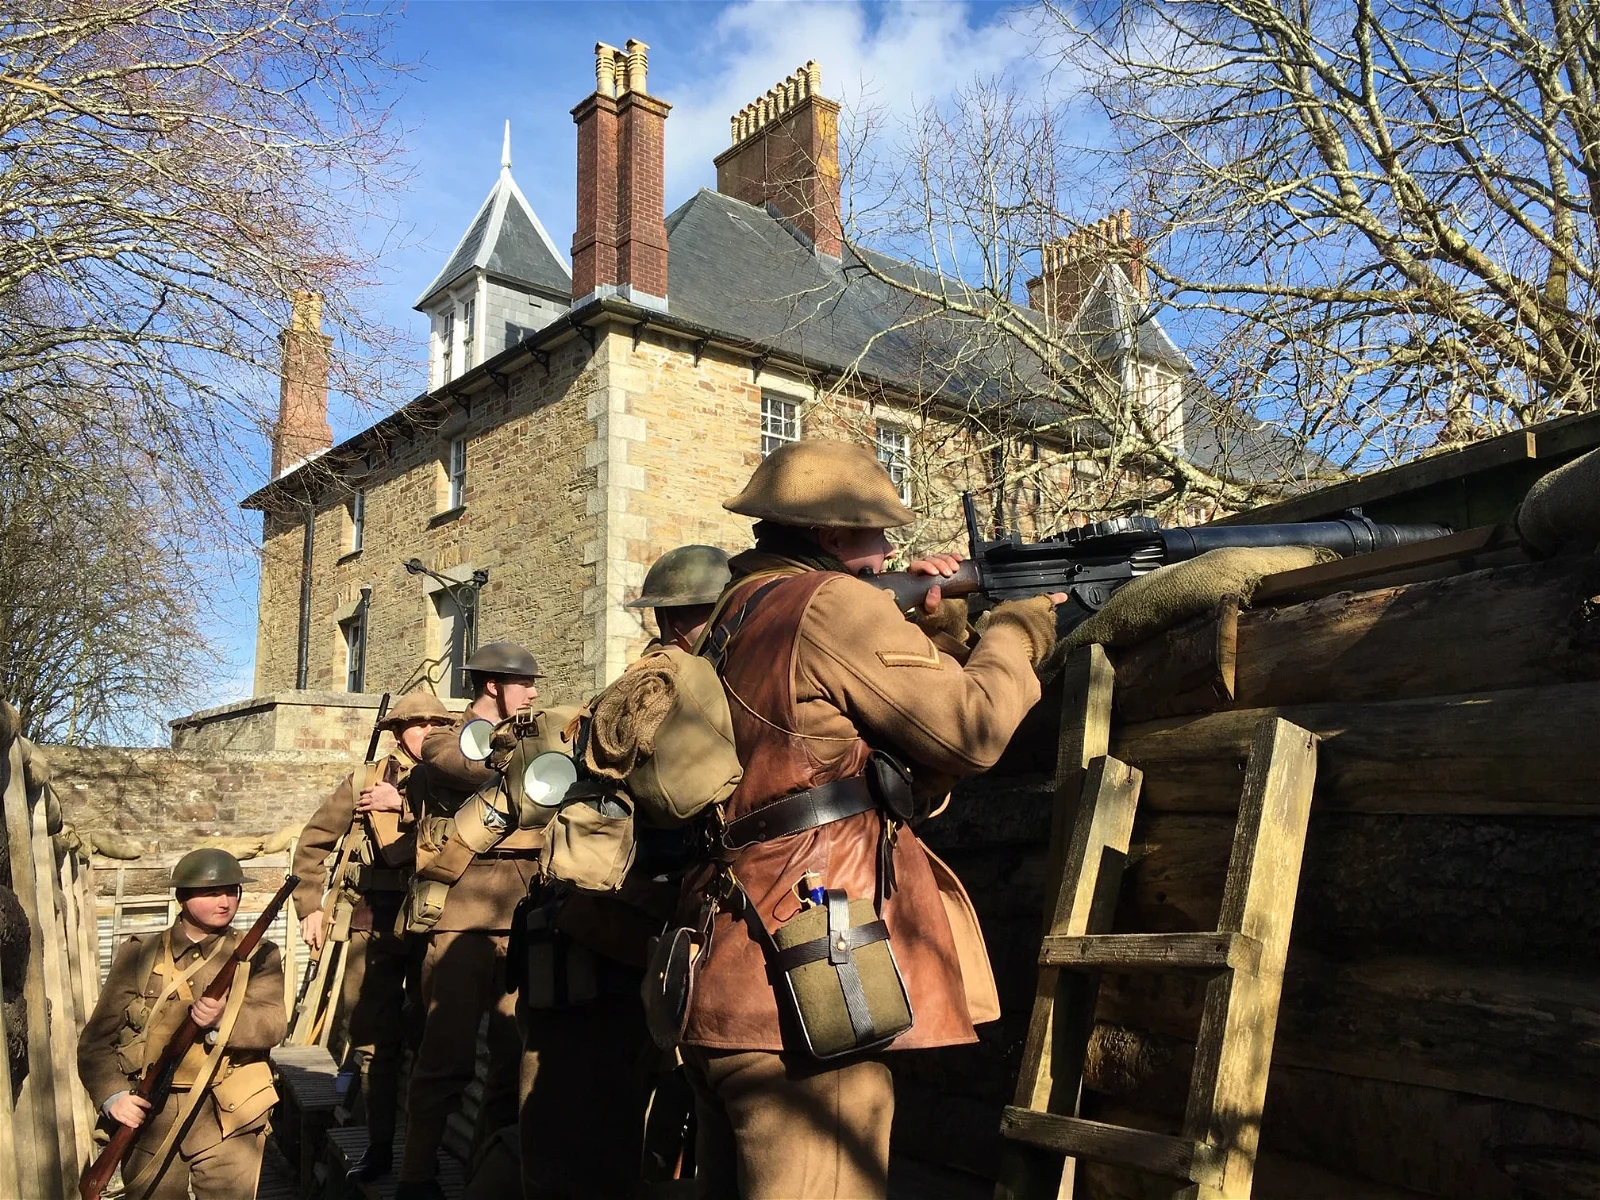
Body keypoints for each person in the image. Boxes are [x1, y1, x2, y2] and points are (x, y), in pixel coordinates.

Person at [680, 439, 1062, 1200]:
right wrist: (1019, 628)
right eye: (877, 534)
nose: (889, 550)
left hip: (727, 965)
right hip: (808, 979)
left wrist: (939, 630)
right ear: (829, 535)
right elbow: (970, 729)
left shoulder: (732, 614)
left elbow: (839, 737)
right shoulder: (829, 604)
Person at [509, 545, 732, 1200]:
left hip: (627, 951)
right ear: (699, 619)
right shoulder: (664, 686)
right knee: (581, 1158)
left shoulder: (673, 686)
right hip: (602, 956)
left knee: (625, 1146)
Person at [397, 641, 543, 1200]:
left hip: (522, 914)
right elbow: (465, 763)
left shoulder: (531, 738)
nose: (532, 692)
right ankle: (415, 1176)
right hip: (461, 918)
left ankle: (486, 1174)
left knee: (511, 1060)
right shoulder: (442, 739)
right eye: (523, 683)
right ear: (491, 685)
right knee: (445, 1057)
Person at [291, 690, 455, 1183]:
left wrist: (402, 802)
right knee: (372, 1041)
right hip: (374, 921)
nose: (426, 730)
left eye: (434, 722)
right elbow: (313, 842)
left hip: (435, 922)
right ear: (397, 730)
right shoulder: (364, 779)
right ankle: (381, 1146)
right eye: (416, 723)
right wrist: (310, 908)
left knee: (432, 1038)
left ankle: (424, 1157)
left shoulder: (455, 775)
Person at [78, 848, 286, 1200]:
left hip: (228, 1116)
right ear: (183, 896)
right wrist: (113, 1097)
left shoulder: (259, 955)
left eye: (232, 890)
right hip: (151, 1120)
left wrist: (223, 1020)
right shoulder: (140, 954)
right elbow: (96, 1042)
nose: (225, 901)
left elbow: (273, 1024)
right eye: (211, 891)